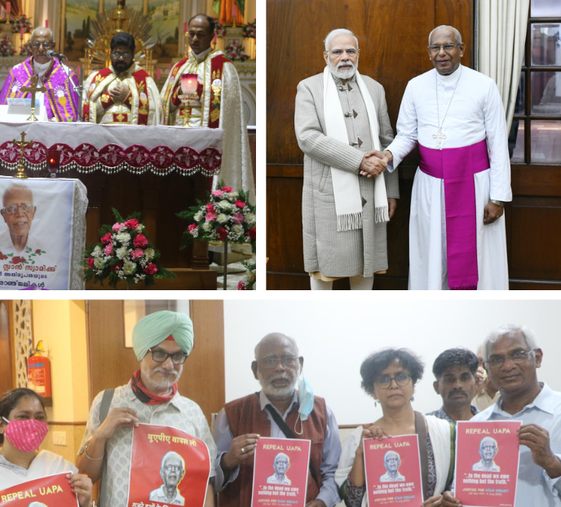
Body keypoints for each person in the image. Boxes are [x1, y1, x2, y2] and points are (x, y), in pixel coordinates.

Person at [379, 25, 511, 290]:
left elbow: (497, 144)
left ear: (461, 49)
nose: (442, 53)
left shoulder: (484, 85)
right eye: (435, 48)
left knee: (479, 257)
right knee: (432, 254)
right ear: (429, 53)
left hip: (474, 185)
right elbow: (407, 135)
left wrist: (498, 197)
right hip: (431, 185)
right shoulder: (416, 86)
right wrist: (387, 155)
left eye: (448, 46)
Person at [294, 28, 399, 291]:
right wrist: (358, 159)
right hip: (326, 195)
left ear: (358, 54)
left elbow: (387, 142)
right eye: (337, 51)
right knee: (324, 272)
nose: (345, 57)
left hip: (373, 193)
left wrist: (392, 191)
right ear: (326, 55)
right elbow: (307, 137)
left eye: (350, 51)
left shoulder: (374, 89)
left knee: (366, 268)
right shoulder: (309, 87)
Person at [76, 311, 216, 507]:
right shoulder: (106, 402)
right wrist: (100, 436)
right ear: (142, 353)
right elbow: (85, 476)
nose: (169, 364)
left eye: (177, 356)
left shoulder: (192, 413)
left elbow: (206, 481)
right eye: (159, 354)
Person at [212, 333, 341, 507]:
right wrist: (227, 461)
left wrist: (322, 501)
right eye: (270, 360)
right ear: (255, 369)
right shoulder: (231, 414)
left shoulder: (322, 413)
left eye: (288, 359)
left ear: (300, 365)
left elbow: (334, 473)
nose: (280, 368)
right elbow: (210, 480)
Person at [336, 348, 458, 507]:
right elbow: (353, 502)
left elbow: (457, 487)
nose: (393, 385)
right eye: (383, 379)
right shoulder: (360, 438)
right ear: (372, 391)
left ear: (413, 384)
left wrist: (446, 500)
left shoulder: (443, 431)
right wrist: (360, 453)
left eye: (401, 377)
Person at [0, 388, 92, 507]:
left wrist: (84, 503)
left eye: (40, 418)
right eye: (23, 416)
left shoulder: (60, 468)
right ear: (1, 425)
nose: (32, 424)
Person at [160, 14, 253, 194]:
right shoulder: (179, 67)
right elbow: (164, 105)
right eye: (191, 34)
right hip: (177, 139)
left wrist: (201, 92)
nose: (194, 38)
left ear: (212, 36)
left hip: (205, 139)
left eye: (200, 34)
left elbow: (229, 108)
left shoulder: (224, 67)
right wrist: (177, 95)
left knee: (202, 188)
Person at [471, 324, 561, 504]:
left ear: (537, 358)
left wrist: (552, 464)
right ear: (486, 368)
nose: (507, 366)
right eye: (496, 359)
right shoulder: (476, 425)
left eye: (517, 354)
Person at [0, 27, 79, 122]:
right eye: (36, 44)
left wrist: (50, 122)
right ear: (30, 46)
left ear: (53, 46)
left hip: (51, 131)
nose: (41, 49)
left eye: (46, 44)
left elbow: (70, 116)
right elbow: (4, 111)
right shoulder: (17, 72)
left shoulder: (66, 75)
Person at [82, 33, 161, 125]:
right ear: (110, 53)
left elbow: (154, 112)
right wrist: (108, 98)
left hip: (133, 136)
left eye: (126, 54)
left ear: (133, 55)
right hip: (103, 135)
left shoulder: (145, 80)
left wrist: (128, 97)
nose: (120, 58)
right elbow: (84, 109)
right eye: (116, 53)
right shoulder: (96, 78)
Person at [428, 348, 480, 422]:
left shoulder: (489, 425)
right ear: (437, 387)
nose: (458, 385)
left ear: (476, 382)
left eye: (464, 378)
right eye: (450, 380)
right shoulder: (425, 426)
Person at [0, 183, 43, 255]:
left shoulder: (42, 247)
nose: (19, 214)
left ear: (33, 213)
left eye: (26, 206)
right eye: (11, 207)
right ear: (4, 215)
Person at [473, 344, 501, 411]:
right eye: (480, 362)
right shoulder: (470, 393)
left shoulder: (513, 393)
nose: (483, 367)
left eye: (490, 361)